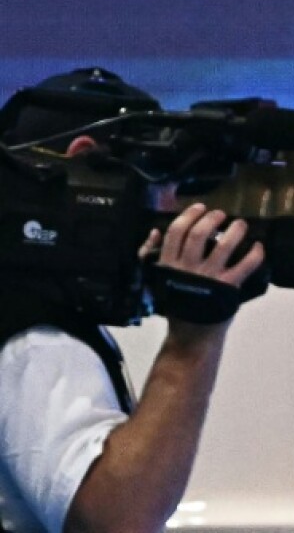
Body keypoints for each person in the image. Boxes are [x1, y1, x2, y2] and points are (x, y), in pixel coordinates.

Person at [0, 68, 264, 533]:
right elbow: (121, 520)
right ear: (88, 166)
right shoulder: (38, 343)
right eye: (161, 185)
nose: (171, 212)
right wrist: (193, 340)